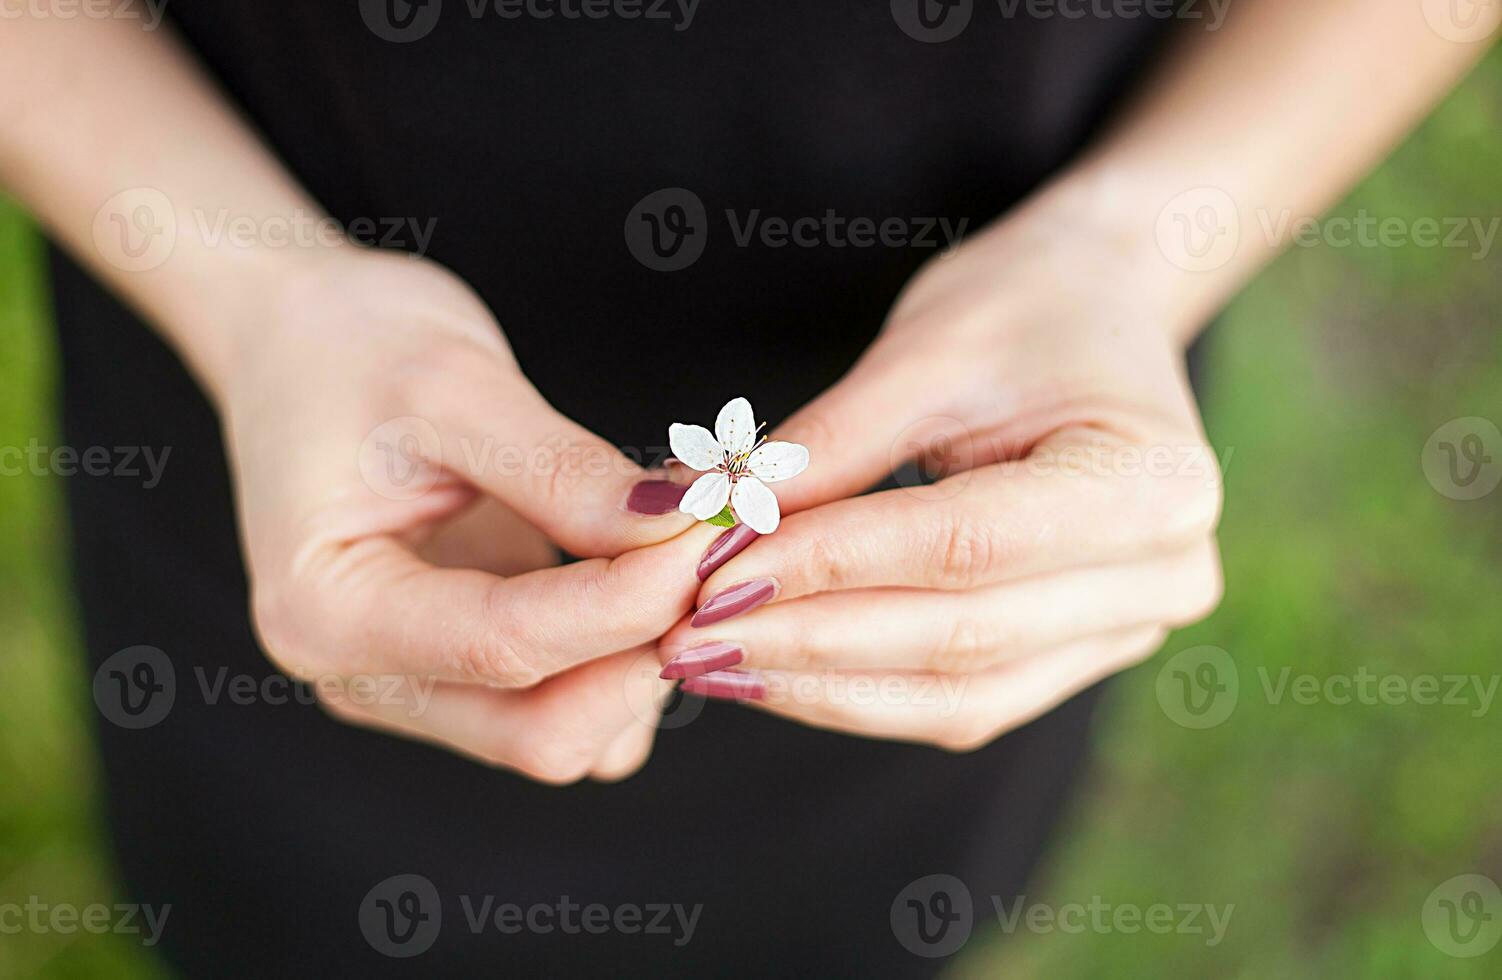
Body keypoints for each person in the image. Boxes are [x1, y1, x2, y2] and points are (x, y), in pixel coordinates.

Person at [0, 2, 1491, 976]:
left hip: (971, 410)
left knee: (859, 913)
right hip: (295, 399)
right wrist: (253, 296)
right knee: (300, 912)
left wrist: (1133, 246)